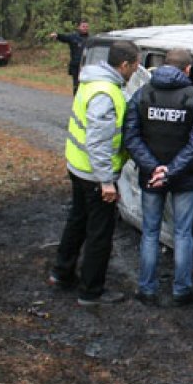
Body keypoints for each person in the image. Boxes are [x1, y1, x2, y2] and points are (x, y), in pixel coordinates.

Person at [48, 40, 140, 305]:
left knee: (77, 220)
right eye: (135, 65)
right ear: (124, 65)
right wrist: (106, 182)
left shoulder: (92, 81)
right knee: (100, 232)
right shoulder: (105, 93)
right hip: (94, 175)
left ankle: (61, 273)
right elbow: (98, 142)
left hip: (78, 167)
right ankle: (91, 291)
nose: (136, 70)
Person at [123, 48, 193, 307]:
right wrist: (171, 170)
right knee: (183, 234)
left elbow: (131, 137)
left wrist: (154, 168)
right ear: (187, 69)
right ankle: (182, 290)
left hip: (151, 177)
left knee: (150, 233)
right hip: (183, 178)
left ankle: (146, 289)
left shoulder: (142, 94)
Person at [51, 21, 91, 94]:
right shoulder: (73, 37)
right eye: (83, 26)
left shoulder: (91, 39)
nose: (85, 28)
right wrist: (57, 35)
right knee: (76, 84)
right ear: (79, 27)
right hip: (75, 65)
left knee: (86, 84)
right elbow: (64, 37)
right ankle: (76, 100)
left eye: (86, 26)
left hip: (87, 66)